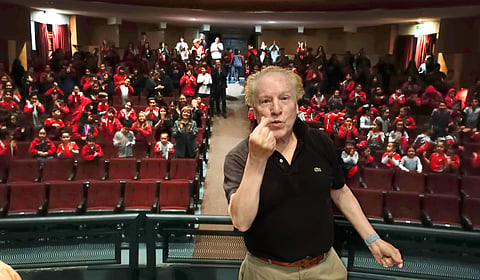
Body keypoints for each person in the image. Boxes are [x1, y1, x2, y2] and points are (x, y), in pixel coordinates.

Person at [224, 66, 402, 280]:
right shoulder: (239, 157)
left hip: (325, 268)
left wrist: (372, 239)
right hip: (266, 271)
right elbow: (241, 221)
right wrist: (256, 159)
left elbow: (340, 192)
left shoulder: (320, 142)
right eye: (265, 101)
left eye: (284, 98)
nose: (276, 109)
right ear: (253, 109)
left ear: (297, 105)